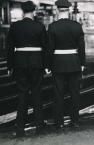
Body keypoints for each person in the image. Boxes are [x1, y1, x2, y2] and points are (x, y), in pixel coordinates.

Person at [7, 1, 49, 137]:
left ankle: (20, 128)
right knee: (37, 94)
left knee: (22, 95)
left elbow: (9, 48)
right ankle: (39, 127)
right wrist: (46, 65)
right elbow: (45, 48)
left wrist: (10, 66)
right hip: (36, 63)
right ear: (34, 11)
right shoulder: (39, 26)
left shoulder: (15, 27)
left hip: (20, 63)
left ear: (22, 11)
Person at [48, 0, 85, 128]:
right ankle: (75, 121)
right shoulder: (77, 26)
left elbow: (50, 48)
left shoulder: (52, 26)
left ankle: (59, 122)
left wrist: (48, 65)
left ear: (58, 10)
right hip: (74, 62)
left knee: (58, 93)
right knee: (74, 92)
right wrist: (82, 63)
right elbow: (81, 46)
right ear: (68, 10)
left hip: (58, 63)